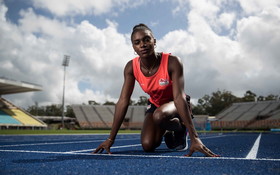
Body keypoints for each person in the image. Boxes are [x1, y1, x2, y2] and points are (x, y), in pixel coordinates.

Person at [94, 23, 219, 157]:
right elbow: (123, 101)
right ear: (134, 48)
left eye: (146, 39)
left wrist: (195, 138)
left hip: (177, 103)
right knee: (148, 145)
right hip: (156, 105)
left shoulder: (173, 62)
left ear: (154, 41)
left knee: (159, 115)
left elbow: (178, 97)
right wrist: (110, 139)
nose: (143, 44)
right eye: (137, 42)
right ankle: (169, 131)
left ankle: (182, 129)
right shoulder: (131, 67)